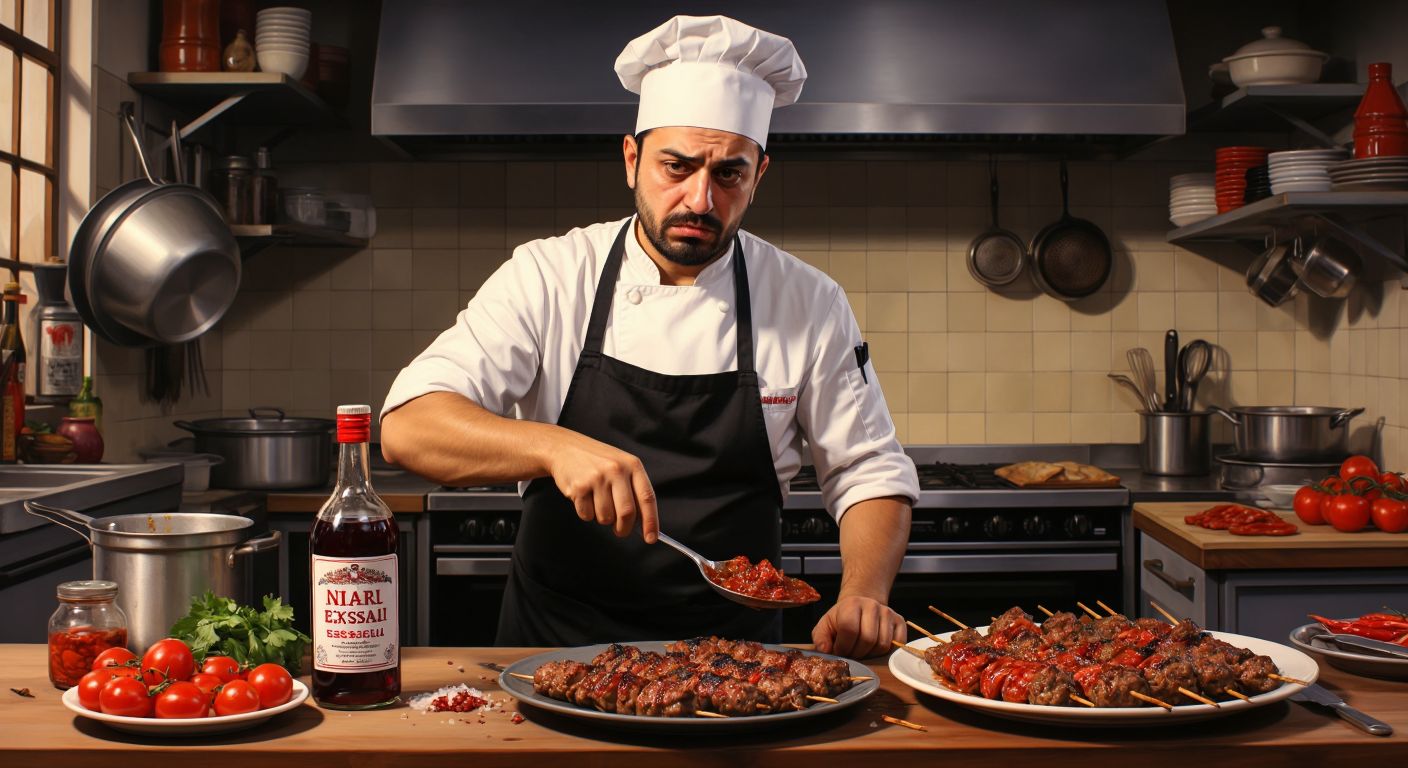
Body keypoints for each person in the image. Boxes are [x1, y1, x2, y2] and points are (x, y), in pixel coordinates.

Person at [381, 14, 918, 658]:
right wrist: (554, 448)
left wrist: (864, 590)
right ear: (632, 158)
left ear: (760, 174)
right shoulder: (551, 275)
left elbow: (868, 470)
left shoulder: (808, 300)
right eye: (677, 166)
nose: (699, 199)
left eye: (729, 175)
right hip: (558, 648)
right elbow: (408, 426)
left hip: (740, 662)